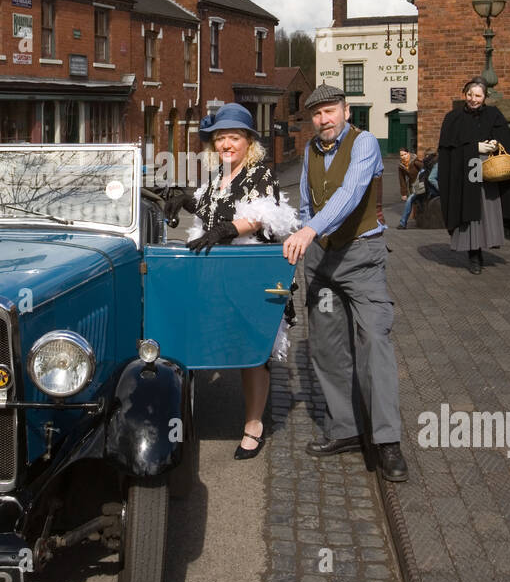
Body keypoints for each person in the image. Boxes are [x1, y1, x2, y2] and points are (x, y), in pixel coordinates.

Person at [282, 84, 407, 483]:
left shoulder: (365, 143)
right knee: (327, 346)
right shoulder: (309, 151)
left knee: (374, 340)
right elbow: (307, 200)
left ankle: (387, 442)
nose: (324, 120)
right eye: (316, 114)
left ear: (346, 111)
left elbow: (351, 194)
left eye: (330, 111)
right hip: (321, 261)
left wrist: (310, 229)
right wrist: (305, 227)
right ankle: (347, 429)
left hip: (362, 259)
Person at [166, 103, 298, 461]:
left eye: (233, 137)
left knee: (253, 351)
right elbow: (211, 208)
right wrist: (186, 200)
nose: (226, 144)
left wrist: (229, 229)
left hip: (248, 272)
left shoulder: (260, 175)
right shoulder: (215, 177)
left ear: (248, 143)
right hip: (215, 272)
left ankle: (253, 425)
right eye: (221, 138)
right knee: (205, 336)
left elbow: (263, 216)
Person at [437, 78, 510, 274]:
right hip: (468, 168)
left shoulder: (494, 115)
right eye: (470, 95)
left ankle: (487, 243)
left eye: (478, 95)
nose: (473, 99)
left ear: (485, 97)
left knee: (487, 207)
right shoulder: (453, 117)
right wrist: (473, 147)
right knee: (471, 210)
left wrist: (494, 143)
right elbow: (446, 148)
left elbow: (505, 138)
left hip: (489, 167)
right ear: (464, 94)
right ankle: (473, 253)